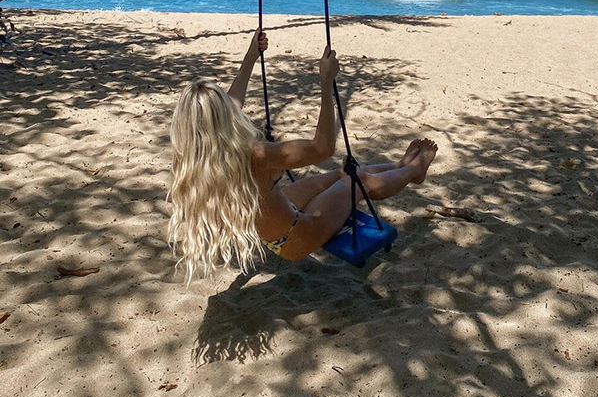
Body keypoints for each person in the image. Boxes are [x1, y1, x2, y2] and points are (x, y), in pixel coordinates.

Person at [168, 29, 437, 281]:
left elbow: (233, 103)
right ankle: (414, 171)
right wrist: (326, 82)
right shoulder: (256, 155)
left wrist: (251, 56)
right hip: (298, 236)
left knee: (341, 174)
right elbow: (322, 148)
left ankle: (399, 165)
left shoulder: (196, 155)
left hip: (274, 222)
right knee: (356, 181)